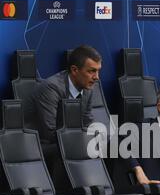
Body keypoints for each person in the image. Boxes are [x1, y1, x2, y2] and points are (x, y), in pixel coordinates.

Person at [25, 45, 102, 174]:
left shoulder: (87, 88)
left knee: (111, 145)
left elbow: (88, 122)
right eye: (91, 71)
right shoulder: (51, 88)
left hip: (66, 141)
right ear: (74, 70)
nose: (96, 77)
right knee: (76, 147)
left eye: (98, 71)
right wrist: (83, 141)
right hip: (40, 145)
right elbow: (50, 131)